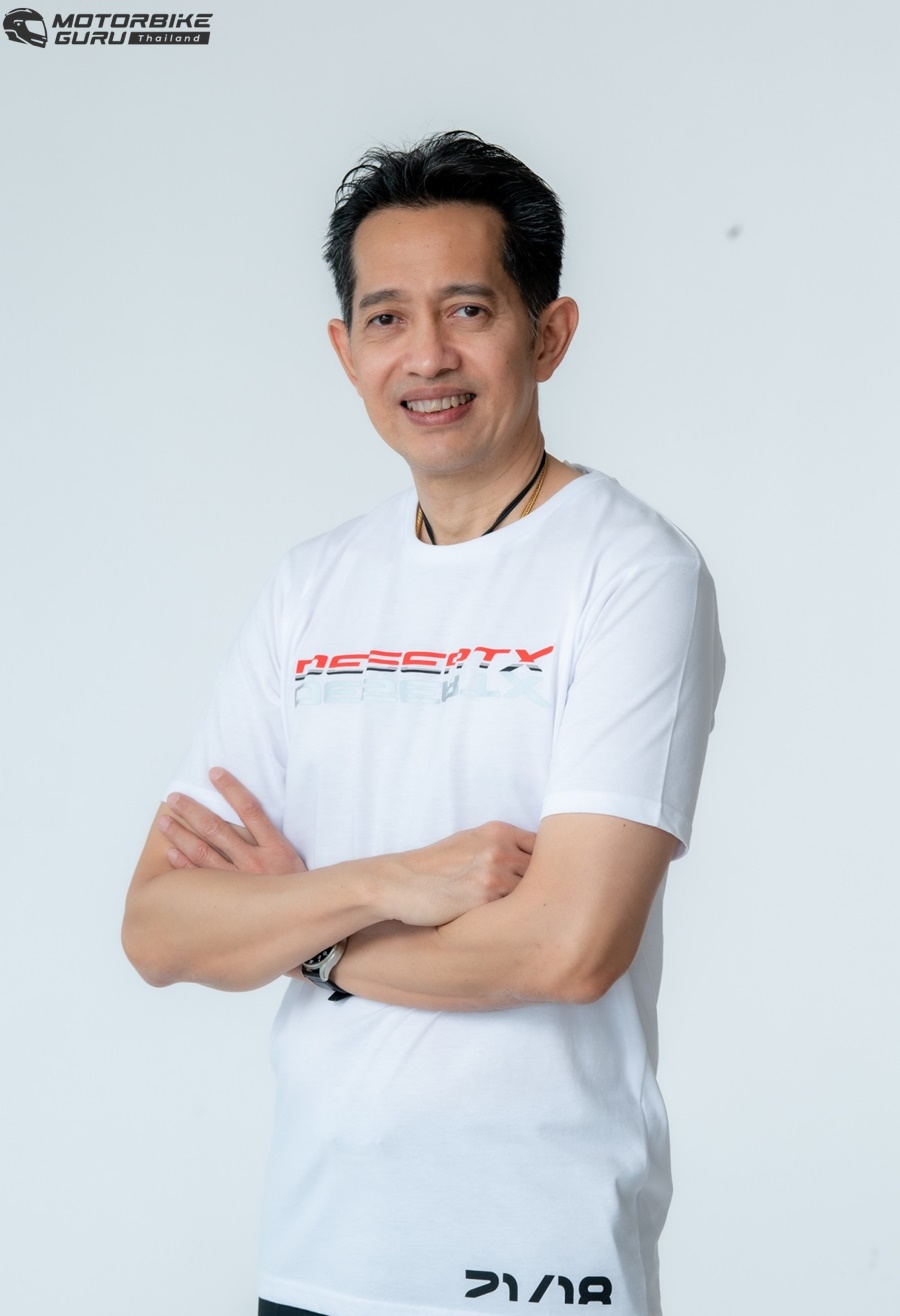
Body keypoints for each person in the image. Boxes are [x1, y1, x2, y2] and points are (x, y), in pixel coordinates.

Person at [123, 130, 725, 1316]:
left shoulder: (631, 571)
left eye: (469, 309)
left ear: (548, 333)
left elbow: (566, 948)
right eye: (388, 318)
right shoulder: (311, 586)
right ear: (345, 350)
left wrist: (307, 937)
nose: (428, 355)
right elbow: (159, 926)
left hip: (538, 1259)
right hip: (318, 1252)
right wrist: (394, 881)